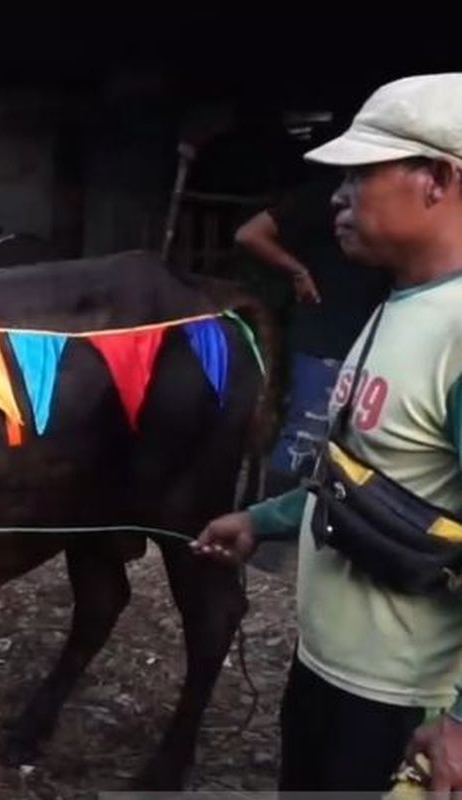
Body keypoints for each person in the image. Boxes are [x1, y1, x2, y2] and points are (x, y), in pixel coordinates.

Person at [193, 73, 462, 791]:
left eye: (361, 174)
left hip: (406, 699)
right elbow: (367, 474)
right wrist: (265, 516)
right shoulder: (401, 303)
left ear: (435, 179)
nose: (339, 198)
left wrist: (461, 725)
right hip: (331, 672)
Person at [236, 169, 388, 491]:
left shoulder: (393, 200)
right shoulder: (321, 197)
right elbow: (250, 234)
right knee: (304, 438)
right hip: (325, 333)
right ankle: (270, 525)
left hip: (372, 335)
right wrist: (298, 271)